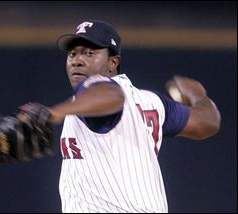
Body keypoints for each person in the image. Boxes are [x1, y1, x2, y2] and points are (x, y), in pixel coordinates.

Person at [43, 20, 221, 213]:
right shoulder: (152, 102)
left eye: (89, 53)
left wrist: (52, 114)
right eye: (72, 53)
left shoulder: (93, 89)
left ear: (113, 63)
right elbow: (207, 122)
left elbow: (111, 95)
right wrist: (198, 95)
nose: (77, 60)